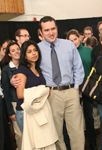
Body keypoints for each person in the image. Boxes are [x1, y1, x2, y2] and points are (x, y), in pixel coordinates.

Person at [37, 16, 85, 150]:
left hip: (71, 92)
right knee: (56, 132)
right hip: (51, 94)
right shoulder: (37, 49)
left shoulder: (68, 44)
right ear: (41, 32)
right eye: (47, 30)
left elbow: (78, 67)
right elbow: (30, 71)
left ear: (57, 28)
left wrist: (76, 88)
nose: (51, 32)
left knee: (77, 131)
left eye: (53, 28)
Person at [14, 40, 58, 149]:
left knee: (43, 142)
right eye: (29, 52)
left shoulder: (38, 69)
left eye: (35, 50)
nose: (34, 53)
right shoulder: (22, 70)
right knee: (33, 145)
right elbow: (20, 94)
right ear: (24, 56)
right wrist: (43, 92)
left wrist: (43, 93)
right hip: (26, 111)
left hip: (39, 110)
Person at [66, 29, 97, 150]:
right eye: (70, 40)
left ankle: (93, 142)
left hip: (88, 88)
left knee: (89, 116)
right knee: (75, 118)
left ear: (80, 38)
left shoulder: (88, 51)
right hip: (74, 89)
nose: (73, 42)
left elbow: (94, 68)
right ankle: (78, 143)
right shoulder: (67, 53)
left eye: (75, 39)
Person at [1, 41, 22, 150]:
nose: (16, 52)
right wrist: (10, 111)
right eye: (13, 51)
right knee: (19, 134)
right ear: (9, 54)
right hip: (15, 104)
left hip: (28, 103)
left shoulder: (26, 66)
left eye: (17, 49)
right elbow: (6, 92)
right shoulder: (6, 70)